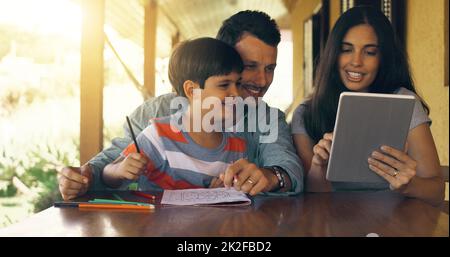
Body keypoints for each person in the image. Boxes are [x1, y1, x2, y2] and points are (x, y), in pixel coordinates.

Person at [58, 10, 304, 200]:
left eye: (269, 68)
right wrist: (83, 177)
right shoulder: (156, 112)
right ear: (220, 58)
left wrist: (271, 177)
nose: (262, 81)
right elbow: (110, 164)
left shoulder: (267, 118)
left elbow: (289, 169)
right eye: (250, 67)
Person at [291, 6, 444, 206]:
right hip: (332, 222)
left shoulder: (404, 102)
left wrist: (409, 185)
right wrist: (319, 166)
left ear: (383, 58)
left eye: (370, 52)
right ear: (333, 54)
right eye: (346, 50)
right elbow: (311, 200)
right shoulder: (306, 114)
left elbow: (437, 190)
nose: (356, 61)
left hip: (395, 222)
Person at [103, 38, 248, 191]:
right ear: (192, 91)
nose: (236, 93)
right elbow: (108, 175)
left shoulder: (237, 144)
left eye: (238, 83)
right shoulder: (159, 135)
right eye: (224, 85)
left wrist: (226, 189)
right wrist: (119, 171)